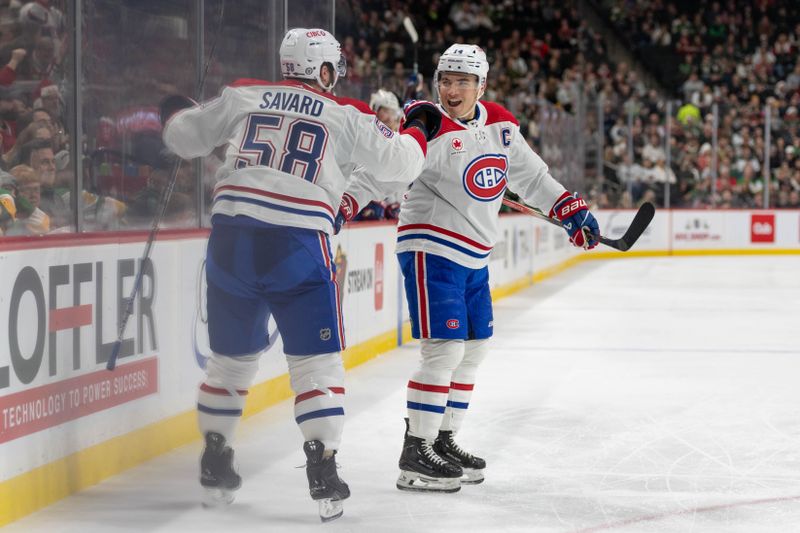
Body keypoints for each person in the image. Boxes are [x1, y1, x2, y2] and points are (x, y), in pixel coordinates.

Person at [160, 28, 439, 521]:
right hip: (297, 241)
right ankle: (323, 465)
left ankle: (216, 458)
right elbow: (403, 164)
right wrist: (418, 126)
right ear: (325, 71)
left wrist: (175, 112)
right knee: (317, 365)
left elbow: (182, 136)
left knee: (229, 361)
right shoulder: (345, 114)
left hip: (231, 236)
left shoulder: (243, 95)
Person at [339, 44, 600, 493]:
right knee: (444, 348)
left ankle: (442, 438)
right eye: (446, 80)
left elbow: (532, 176)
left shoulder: (499, 124)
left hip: (475, 253)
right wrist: (344, 202)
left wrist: (568, 207)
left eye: (463, 81)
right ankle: (415, 451)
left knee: (475, 347)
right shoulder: (428, 125)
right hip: (430, 246)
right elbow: (385, 171)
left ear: (482, 85)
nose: (453, 89)